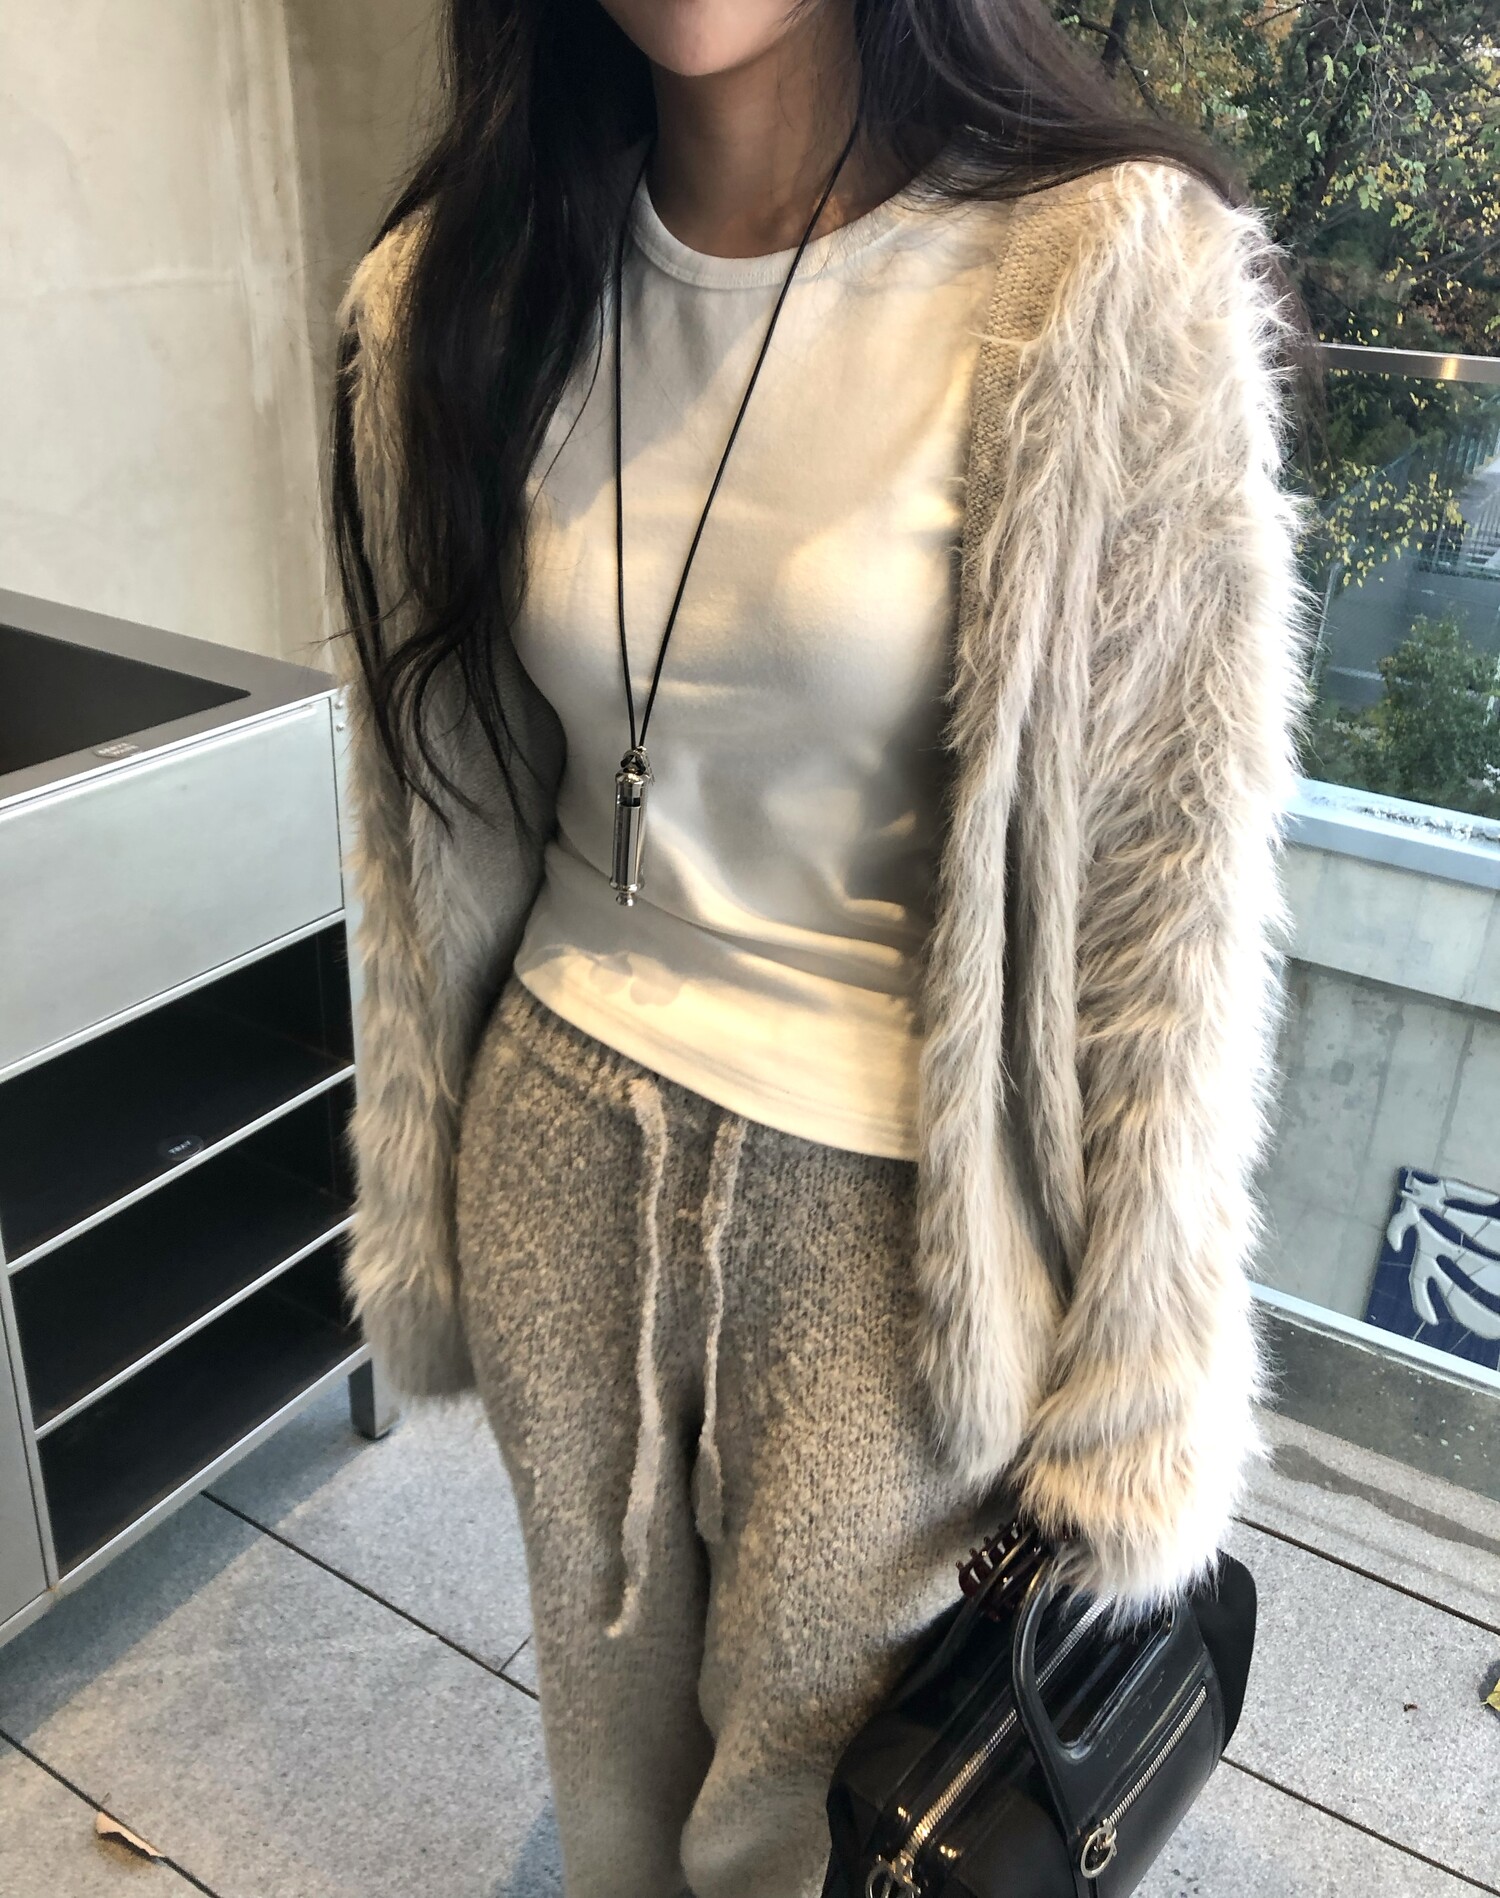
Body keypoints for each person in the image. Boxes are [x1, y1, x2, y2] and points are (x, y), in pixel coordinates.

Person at [327, 1, 1321, 1891]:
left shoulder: (1100, 275)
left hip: (898, 1225)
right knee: (613, 1791)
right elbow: (441, 809)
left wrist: (1130, 1370)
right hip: (554, 1136)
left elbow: (1165, 897)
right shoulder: (471, 280)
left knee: (816, 1838)